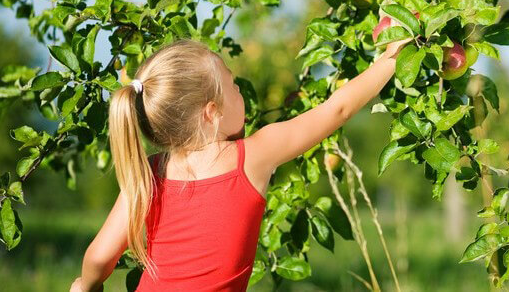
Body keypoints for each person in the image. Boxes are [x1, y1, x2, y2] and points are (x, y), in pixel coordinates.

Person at [69, 35, 411, 292]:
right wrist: (391, 59)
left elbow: (99, 258)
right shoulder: (253, 156)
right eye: (233, 86)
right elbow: (338, 109)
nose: (240, 92)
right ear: (212, 113)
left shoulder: (148, 173)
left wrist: (86, 287)